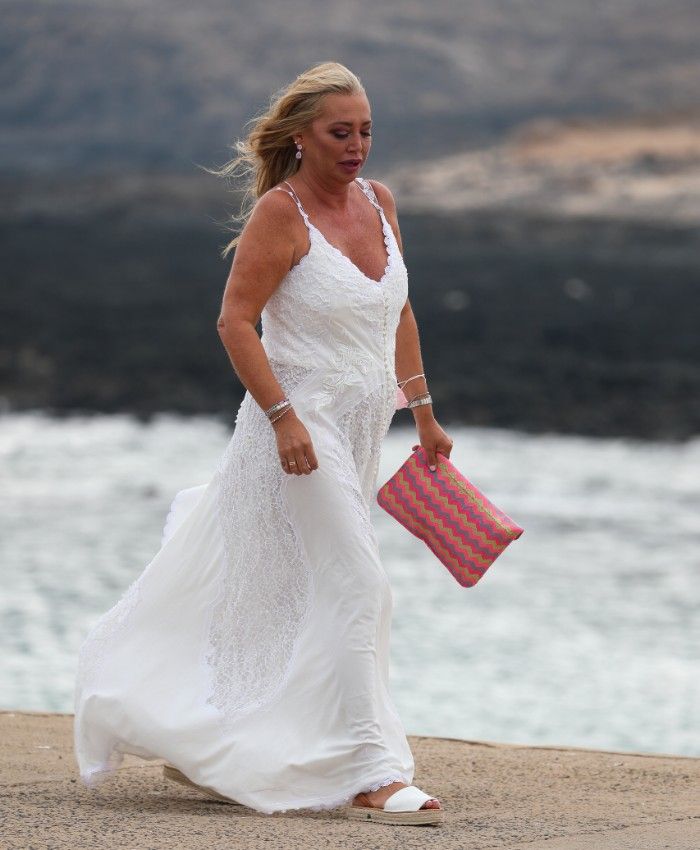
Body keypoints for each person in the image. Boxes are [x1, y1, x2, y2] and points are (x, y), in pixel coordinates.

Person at [73, 61, 454, 827]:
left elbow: (398, 314)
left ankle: (219, 732)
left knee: (286, 590)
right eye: (339, 132)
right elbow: (235, 322)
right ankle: (374, 772)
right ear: (299, 138)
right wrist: (282, 417)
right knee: (358, 582)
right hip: (299, 423)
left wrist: (424, 410)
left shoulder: (380, 204)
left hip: (361, 423)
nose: (357, 146)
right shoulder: (281, 215)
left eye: (366, 131)